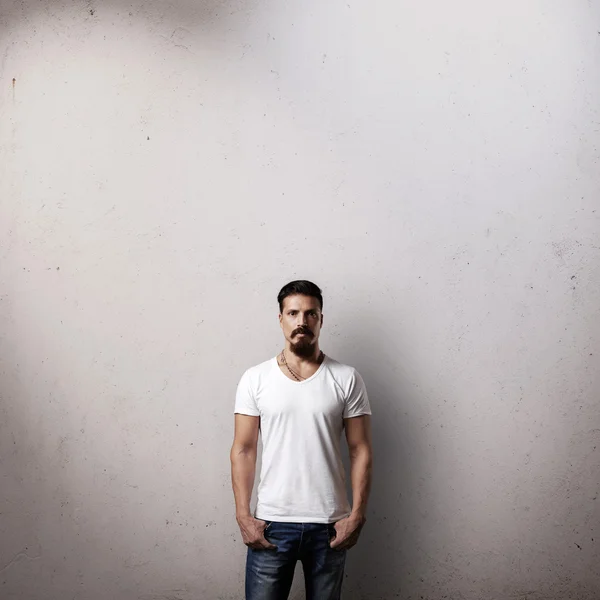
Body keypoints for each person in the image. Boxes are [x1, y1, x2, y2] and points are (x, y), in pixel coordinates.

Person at [230, 280, 373, 600]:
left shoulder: (346, 377)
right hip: (271, 525)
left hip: (329, 525)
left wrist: (357, 516)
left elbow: (360, 448)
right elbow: (243, 448)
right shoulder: (255, 379)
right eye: (293, 313)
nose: (302, 321)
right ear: (280, 318)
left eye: (311, 314)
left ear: (321, 320)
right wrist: (243, 515)